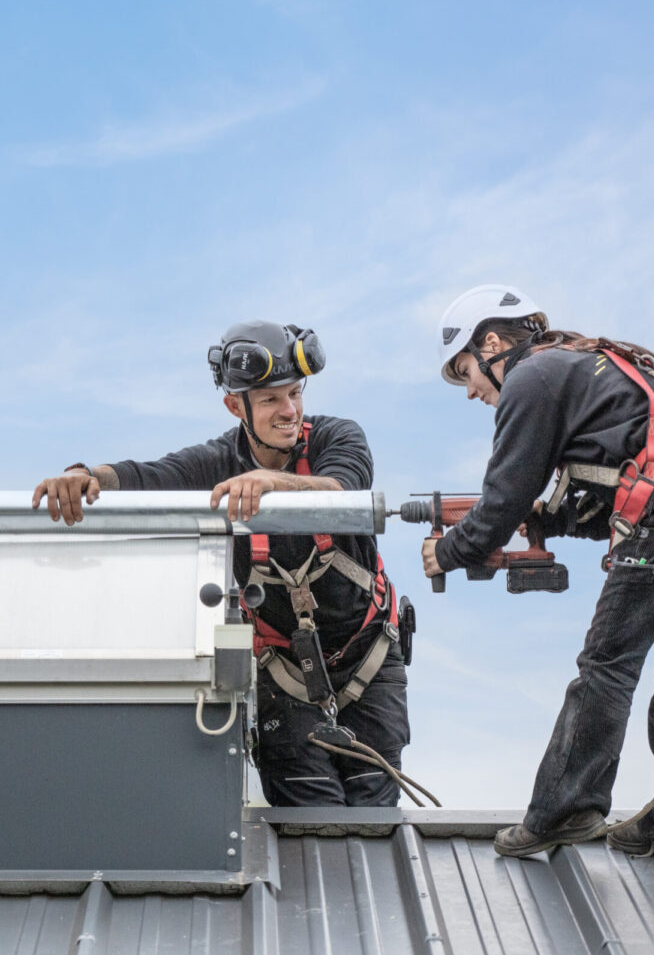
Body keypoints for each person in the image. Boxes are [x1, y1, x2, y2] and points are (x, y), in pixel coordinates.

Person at [423, 284, 654, 859]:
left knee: (607, 663)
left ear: (492, 344)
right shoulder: (583, 364)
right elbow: (617, 488)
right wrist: (551, 520)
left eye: (466, 372)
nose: (471, 391)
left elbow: (504, 498)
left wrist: (451, 550)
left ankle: (565, 811)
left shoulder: (531, 377)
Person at [33, 319, 410, 807]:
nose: (289, 410)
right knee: (308, 817)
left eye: (295, 393)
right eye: (271, 399)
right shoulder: (216, 463)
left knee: (374, 815)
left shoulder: (337, 437)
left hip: (368, 660)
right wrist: (83, 475)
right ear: (236, 407)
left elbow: (343, 491)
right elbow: (146, 476)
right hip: (283, 676)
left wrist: (275, 484)